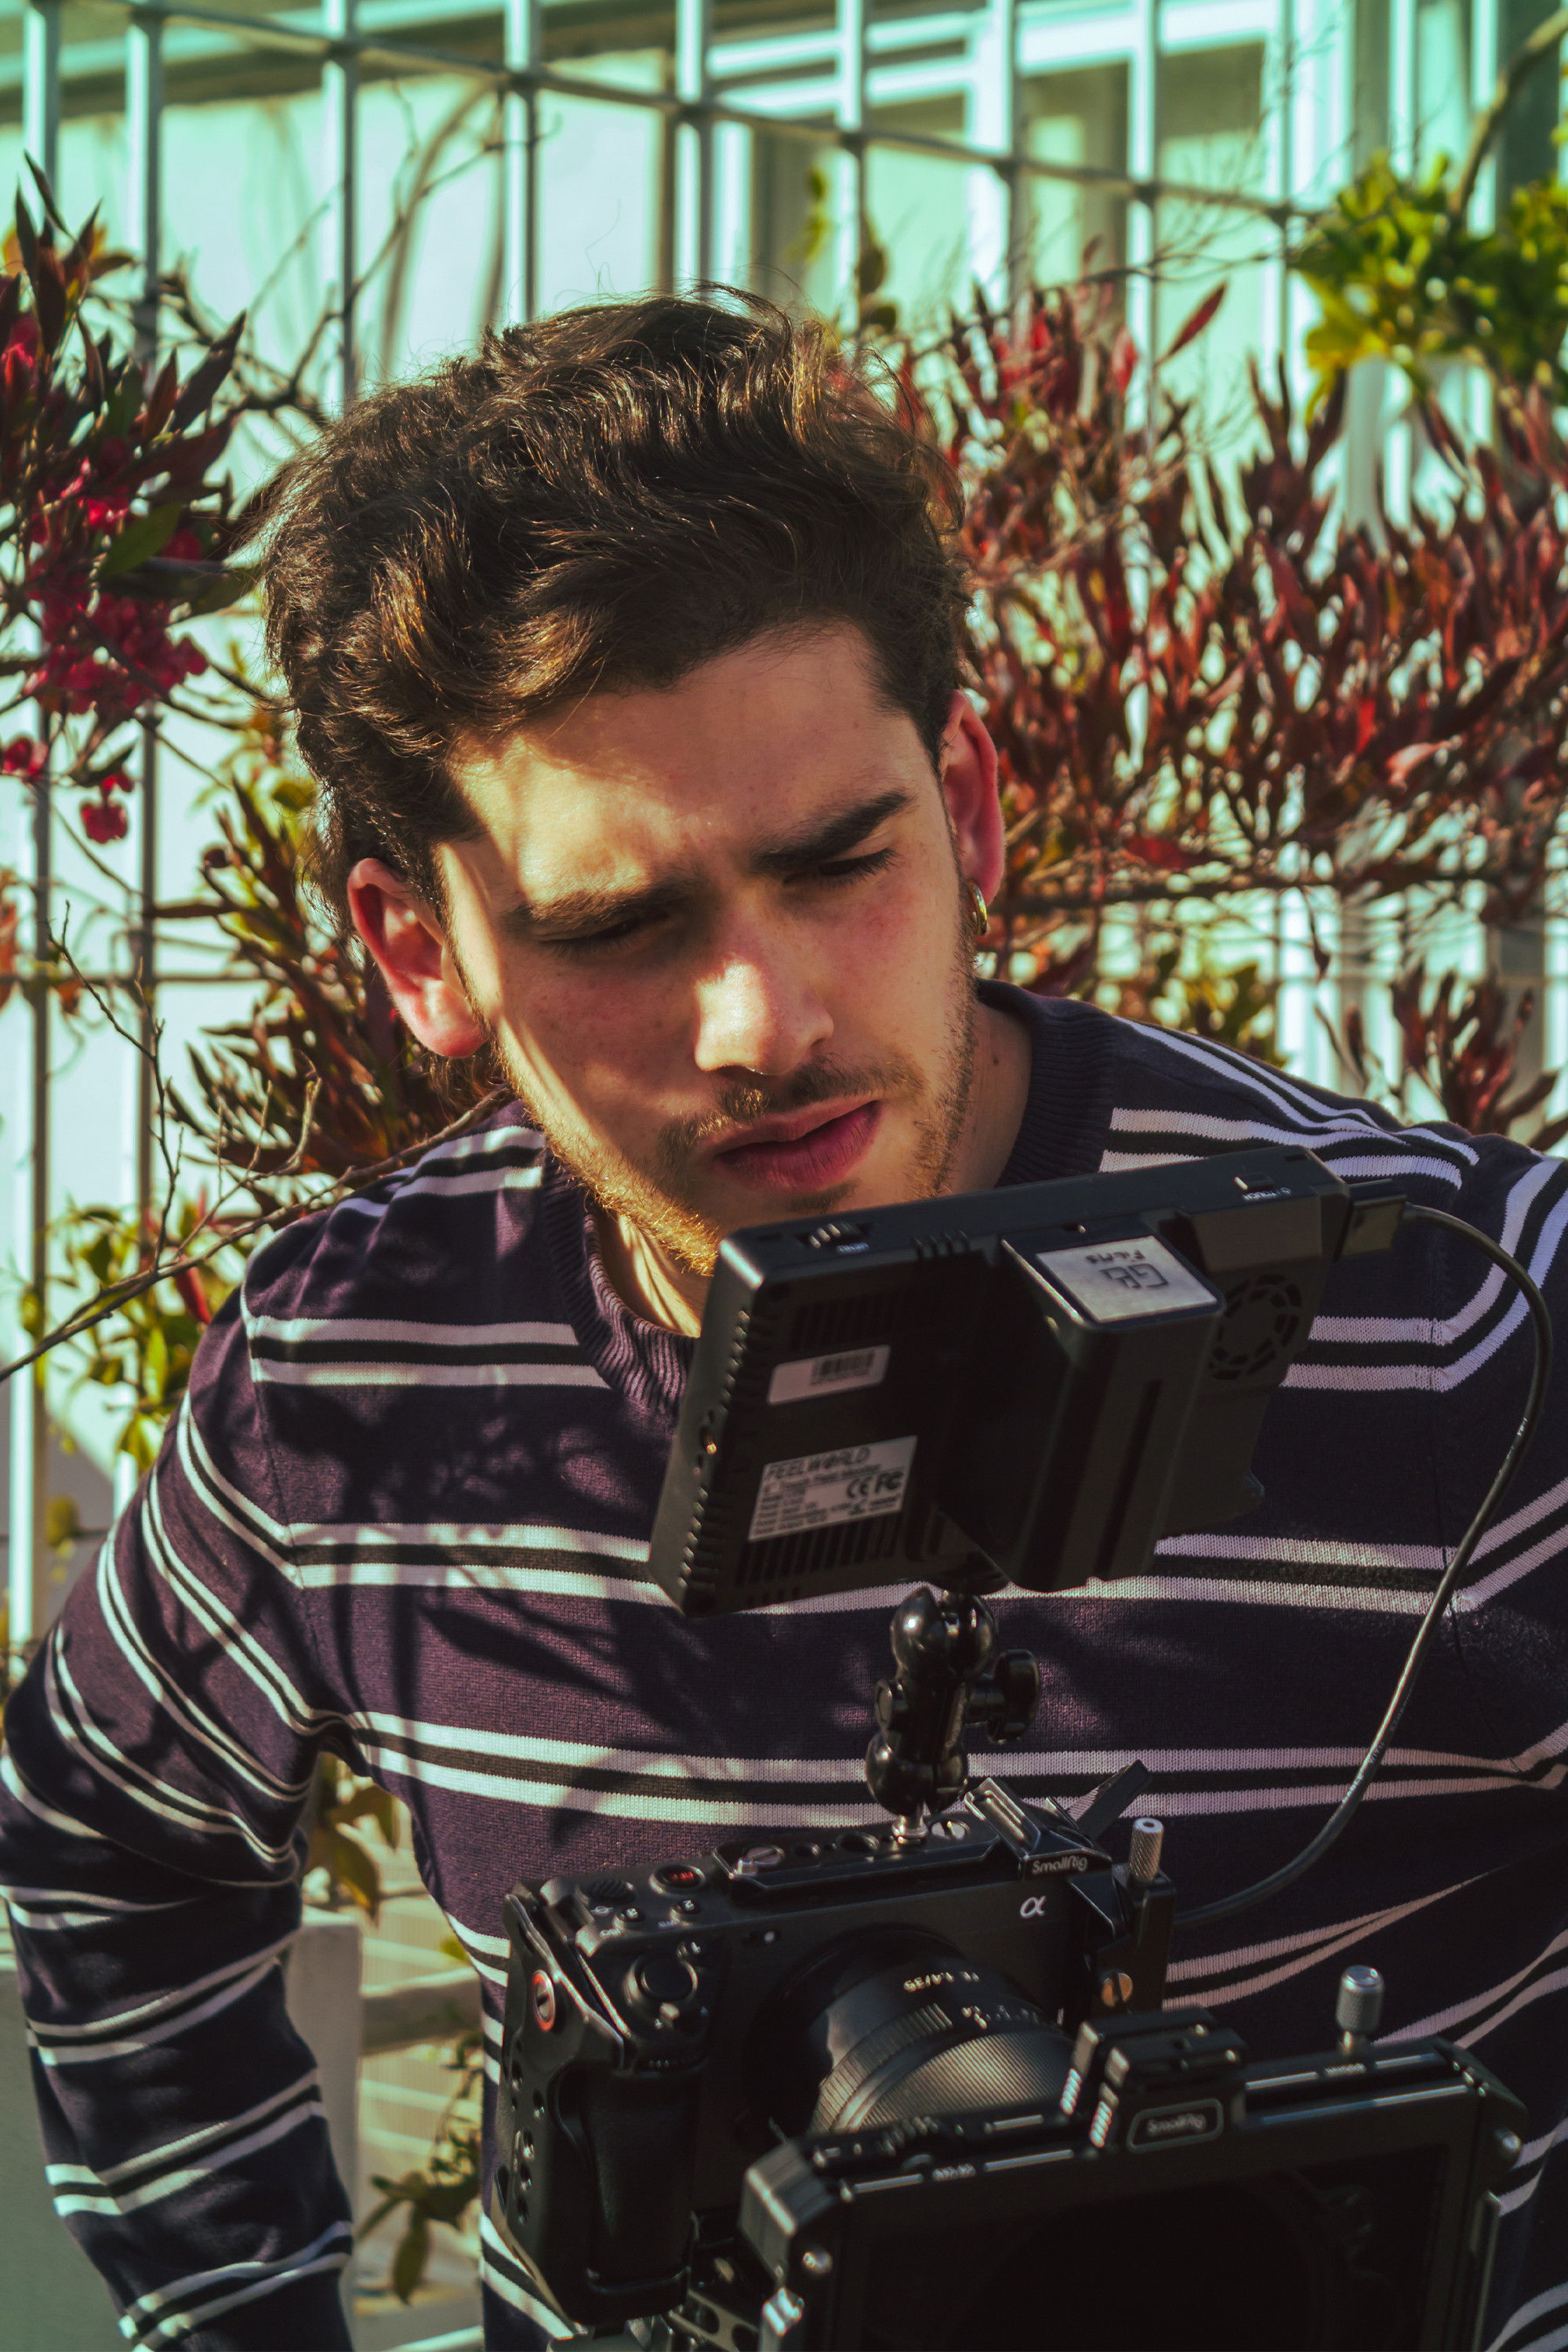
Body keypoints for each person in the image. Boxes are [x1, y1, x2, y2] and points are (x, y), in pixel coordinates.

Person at [1, 294, 1565, 2352]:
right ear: (416, 950)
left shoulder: (1465, 1318)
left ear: (972, 806)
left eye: (840, 864)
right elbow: (104, 1839)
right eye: (618, 925)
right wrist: (240, 2314)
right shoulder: (352, 1384)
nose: (767, 1019)